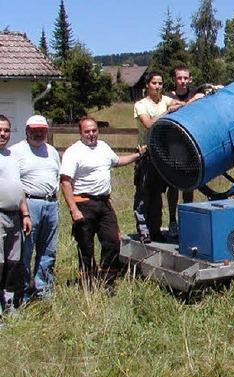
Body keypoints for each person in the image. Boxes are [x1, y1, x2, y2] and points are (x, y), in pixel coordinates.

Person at [60, 117, 145, 288]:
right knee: (86, 245)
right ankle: (87, 283)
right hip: (83, 203)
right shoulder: (73, 152)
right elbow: (65, 181)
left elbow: (117, 161)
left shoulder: (103, 147)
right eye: (87, 131)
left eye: (94, 130)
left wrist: (138, 155)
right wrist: (74, 210)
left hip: (104, 203)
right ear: (80, 132)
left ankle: (107, 282)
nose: (91, 134)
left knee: (112, 242)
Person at [164, 66, 222, 239]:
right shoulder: (168, 97)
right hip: (173, 146)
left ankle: (187, 219)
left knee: (189, 184)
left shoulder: (195, 92)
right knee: (174, 185)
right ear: (174, 79)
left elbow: (216, 89)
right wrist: (191, 102)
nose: (182, 81)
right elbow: (169, 108)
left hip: (192, 146)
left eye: (185, 78)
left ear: (189, 79)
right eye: (179, 78)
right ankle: (173, 220)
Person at [11, 115, 60, 301]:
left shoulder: (52, 151)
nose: (38, 133)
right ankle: (21, 294)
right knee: (25, 251)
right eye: (34, 130)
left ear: (47, 131)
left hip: (51, 204)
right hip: (29, 205)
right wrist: (24, 212)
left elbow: (57, 177)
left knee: (48, 250)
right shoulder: (16, 151)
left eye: (42, 130)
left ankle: (43, 290)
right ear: (27, 130)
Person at [133, 71, 182, 243]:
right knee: (144, 194)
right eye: (154, 83)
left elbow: (182, 104)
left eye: (160, 83)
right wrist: (168, 112)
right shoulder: (141, 105)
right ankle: (143, 229)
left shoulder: (166, 100)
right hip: (146, 155)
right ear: (148, 84)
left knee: (158, 195)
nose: (158, 86)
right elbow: (149, 124)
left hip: (163, 154)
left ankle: (155, 230)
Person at [0, 115, 31, 312]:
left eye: (6, 130)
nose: (3, 134)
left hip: (15, 217)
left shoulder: (11, 156)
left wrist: (25, 214)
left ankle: (9, 302)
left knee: (13, 261)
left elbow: (19, 188)